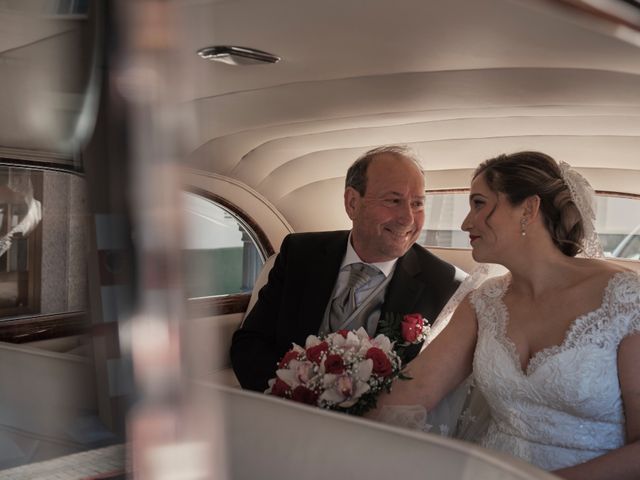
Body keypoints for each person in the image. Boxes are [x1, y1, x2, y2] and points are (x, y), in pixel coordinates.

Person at [371, 151, 640, 479]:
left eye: (479, 203)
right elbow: (415, 390)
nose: (466, 223)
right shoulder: (483, 303)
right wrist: (329, 428)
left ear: (529, 209)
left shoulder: (625, 298)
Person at [230, 145, 466, 392]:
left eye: (417, 204)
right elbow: (250, 342)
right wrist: (285, 393)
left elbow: (432, 384)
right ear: (352, 203)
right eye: (393, 200)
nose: (408, 218)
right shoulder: (300, 253)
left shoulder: (445, 284)